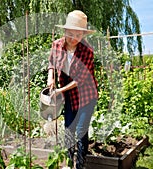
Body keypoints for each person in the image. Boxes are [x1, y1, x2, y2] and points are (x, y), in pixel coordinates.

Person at [47, 10, 98, 169]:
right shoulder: (57, 45)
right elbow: (52, 63)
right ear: (65, 31)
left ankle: (80, 166)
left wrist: (60, 91)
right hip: (70, 97)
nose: (74, 38)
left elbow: (79, 80)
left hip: (86, 95)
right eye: (71, 34)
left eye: (78, 35)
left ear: (83, 34)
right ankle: (69, 164)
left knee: (81, 131)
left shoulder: (87, 51)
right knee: (69, 130)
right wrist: (51, 77)